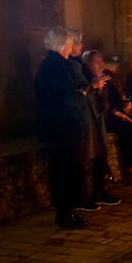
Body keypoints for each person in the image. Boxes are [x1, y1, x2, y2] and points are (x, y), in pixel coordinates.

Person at [34, 26, 88, 229]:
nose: (71, 46)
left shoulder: (56, 65)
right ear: (61, 44)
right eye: (69, 42)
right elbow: (68, 98)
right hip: (60, 128)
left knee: (69, 170)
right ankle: (64, 213)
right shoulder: (55, 68)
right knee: (63, 172)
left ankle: (69, 211)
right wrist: (84, 93)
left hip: (63, 127)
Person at [82, 49, 132, 185]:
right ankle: (131, 168)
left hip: (120, 111)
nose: (102, 64)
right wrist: (115, 111)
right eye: (97, 62)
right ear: (88, 64)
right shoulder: (89, 80)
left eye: (102, 60)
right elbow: (97, 102)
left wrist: (127, 103)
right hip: (105, 117)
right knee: (130, 128)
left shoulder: (109, 76)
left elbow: (121, 92)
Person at [66, 29, 119, 208]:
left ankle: (99, 190)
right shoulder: (71, 67)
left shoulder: (77, 67)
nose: (81, 46)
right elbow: (77, 93)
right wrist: (93, 86)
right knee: (84, 157)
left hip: (95, 116)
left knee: (100, 154)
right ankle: (82, 196)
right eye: (78, 43)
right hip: (83, 117)